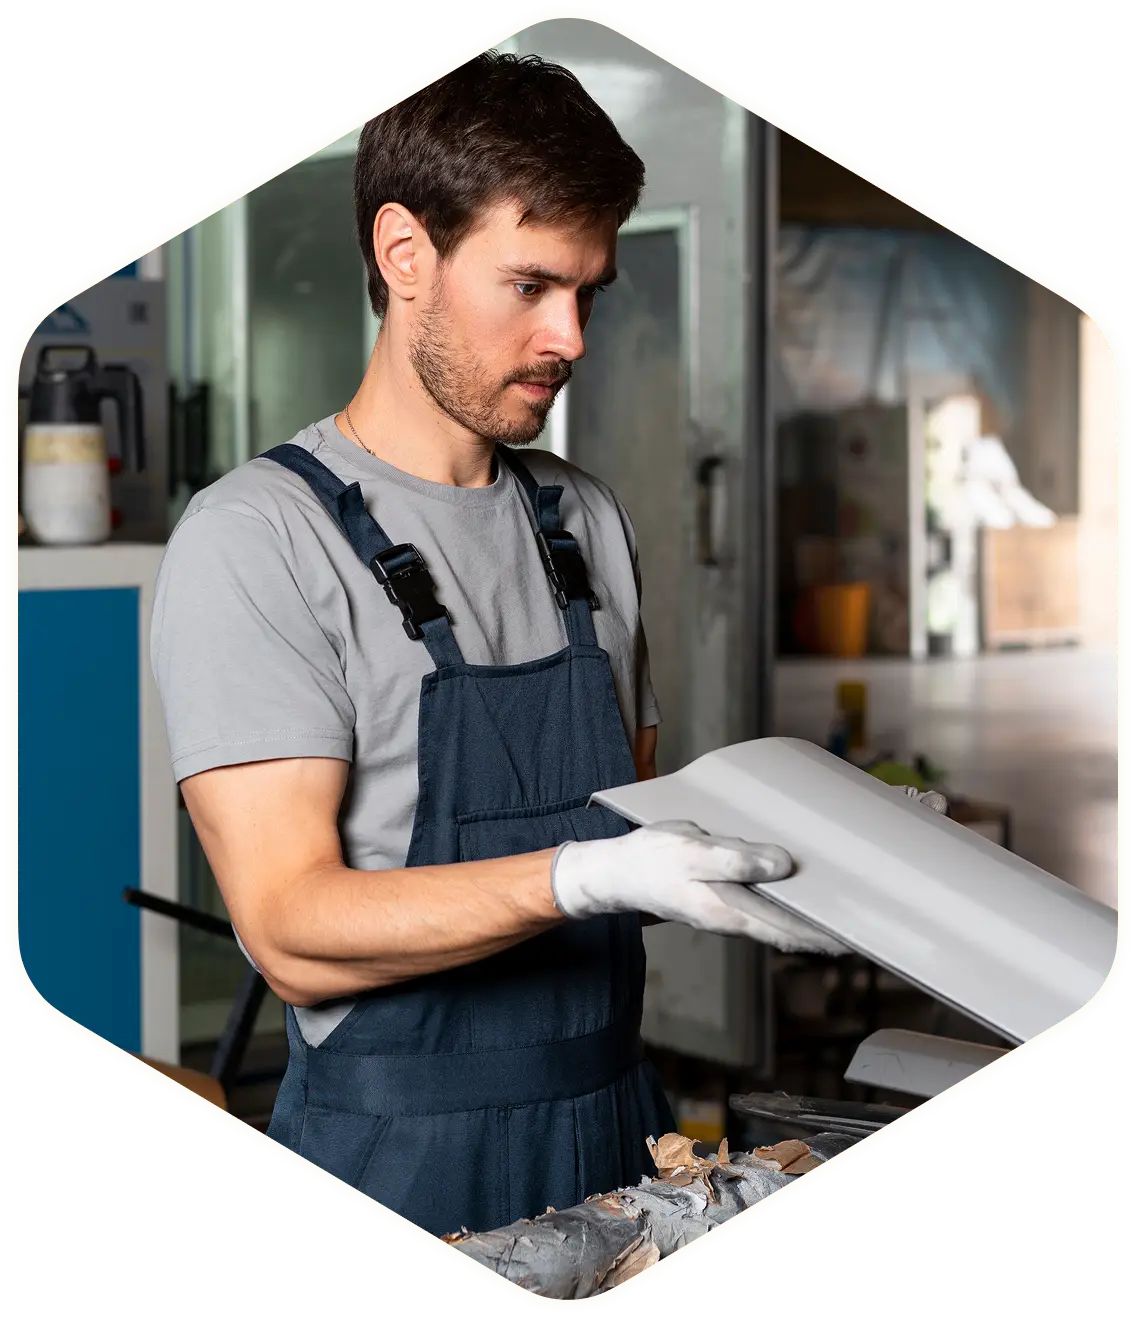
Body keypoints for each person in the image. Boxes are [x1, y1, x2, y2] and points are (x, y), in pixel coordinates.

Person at [150, 52, 941, 1240]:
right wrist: (589, 876)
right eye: (529, 284)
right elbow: (291, 929)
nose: (568, 336)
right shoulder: (258, 538)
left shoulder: (582, 517)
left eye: (589, 291)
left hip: (620, 1121)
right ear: (403, 253)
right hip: (396, 1154)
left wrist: (823, 854)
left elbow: (637, 813)